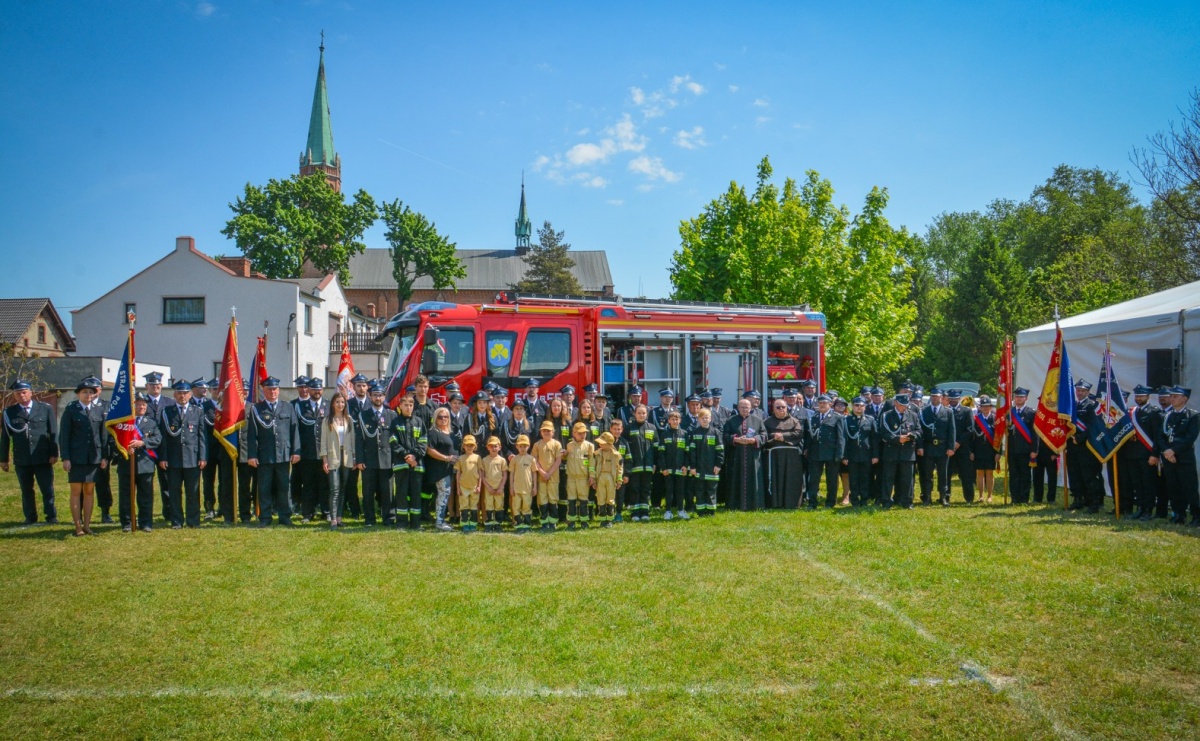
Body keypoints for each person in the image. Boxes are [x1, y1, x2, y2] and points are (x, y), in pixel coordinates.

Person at [2, 379, 59, 524]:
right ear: (14, 395)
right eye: (18, 393)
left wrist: (54, 453)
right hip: (22, 458)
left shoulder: (45, 408)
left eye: (24, 392)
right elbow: (5, 437)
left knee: (47, 489)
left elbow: (53, 432)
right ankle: (30, 517)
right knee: (26, 489)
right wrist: (3, 459)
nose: (22, 395)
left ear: (31, 392)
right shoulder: (9, 412)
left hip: (42, 456)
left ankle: (51, 516)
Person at [246, 376, 300, 527]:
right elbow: (252, 435)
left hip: (283, 454)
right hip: (265, 455)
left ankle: (285, 517)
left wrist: (296, 451)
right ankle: (265, 517)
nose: (272, 392)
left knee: (284, 487)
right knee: (264, 488)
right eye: (269, 389)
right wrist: (252, 455)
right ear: (264, 390)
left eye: (275, 389)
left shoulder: (287, 407)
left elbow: (294, 430)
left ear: (279, 390)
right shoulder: (257, 409)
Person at [59, 376, 107, 536]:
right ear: (78, 394)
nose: (88, 394)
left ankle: (87, 525)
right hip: (76, 457)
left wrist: (104, 457)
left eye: (91, 392)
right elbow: (64, 435)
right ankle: (77, 526)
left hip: (93, 457)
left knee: (89, 491)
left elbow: (103, 436)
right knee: (76, 491)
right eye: (84, 392)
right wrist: (65, 457)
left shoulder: (99, 410)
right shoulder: (72, 409)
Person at [158, 380, 208, 528]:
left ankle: (193, 521)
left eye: (185, 393)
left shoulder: (197, 411)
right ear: (174, 395)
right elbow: (164, 438)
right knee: (174, 492)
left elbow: (202, 436)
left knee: (193, 491)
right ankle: (177, 521)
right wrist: (163, 457)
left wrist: (203, 456)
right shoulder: (167, 412)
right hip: (173, 459)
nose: (182, 396)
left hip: (192, 458)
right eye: (179, 393)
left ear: (190, 394)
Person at [107, 393, 160, 532]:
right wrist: (124, 448)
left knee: (146, 496)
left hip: (145, 465)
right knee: (126, 496)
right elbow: (113, 441)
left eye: (143, 404)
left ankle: (146, 523)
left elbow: (157, 439)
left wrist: (143, 442)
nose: (141, 407)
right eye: (137, 404)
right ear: (132, 405)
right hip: (126, 465)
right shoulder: (124, 423)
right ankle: (127, 523)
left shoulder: (151, 422)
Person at [355, 383, 397, 527]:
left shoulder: (391, 415)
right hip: (369, 460)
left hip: (387, 459)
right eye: (375, 395)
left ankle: (389, 518)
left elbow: (394, 440)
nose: (377, 398)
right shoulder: (363, 415)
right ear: (370, 396)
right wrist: (359, 459)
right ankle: (369, 519)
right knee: (368, 492)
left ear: (384, 397)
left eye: (380, 395)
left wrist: (395, 459)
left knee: (388, 492)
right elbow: (359, 440)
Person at [1158, 386, 1198, 525]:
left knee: (1189, 488)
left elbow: (1189, 438)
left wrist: (1173, 450)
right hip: (1169, 458)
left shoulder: (1193, 415)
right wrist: (1166, 451)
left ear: (1184, 398)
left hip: (1184, 458)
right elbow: (1160, 437)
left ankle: (1196, 516)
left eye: (1175, 396)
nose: (1171, 398)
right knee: (1173, 488)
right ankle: (1178, 514)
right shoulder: (1167, 415)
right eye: (1171, 396)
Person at [389, 393, 427, 530]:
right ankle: (401, 523)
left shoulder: (419, 422)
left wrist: (415, 456)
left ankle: (416, 524)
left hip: (417, 466)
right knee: (401, 494)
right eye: (405, 405)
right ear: (400, 406)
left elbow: (423, 442)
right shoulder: (395, 422)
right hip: (401, 465)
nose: (408, 407)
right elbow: (393, 442)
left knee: (416, 495)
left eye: (411, 405)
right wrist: (407, 456)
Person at [1065, 380, 1103, 513]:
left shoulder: (1091, 406)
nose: (1079, 393)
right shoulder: (1073, 405)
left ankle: (1094, 503)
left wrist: (1080, 439)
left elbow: (1093, 426)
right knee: (1074, 474)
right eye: (1078, 390)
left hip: (1086, 446)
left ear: (1087, 392)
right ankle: (1078, 499)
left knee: (1089, 475)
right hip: (1072, 445)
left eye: (1082, 391)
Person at [879, 393, 921, 510]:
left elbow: (919, 431)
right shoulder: (886, 415)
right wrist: (898, 439)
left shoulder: (913, 415)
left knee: (907, 479)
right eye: (902, 405)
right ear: (895, 403)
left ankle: (907, 501)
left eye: (906, 405)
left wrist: (912, 435)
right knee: (888, 478)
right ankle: (886, 501)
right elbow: (884, 433)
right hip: (891, 452)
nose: (904, 407)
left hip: (907, 452)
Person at [321, 392, 355, 529]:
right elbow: (323, 441)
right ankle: (333, 519)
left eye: (342, 402)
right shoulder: (327, 420)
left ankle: (340, 518)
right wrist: (324, 460)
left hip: (346, 456)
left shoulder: (349, 419)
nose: (340, 405)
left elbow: (352, 440)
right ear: (333, 404)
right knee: (334, 489)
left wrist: (354, 457)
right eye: (337, 402)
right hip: (333, 456)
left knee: (343, 488)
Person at [917, 388, 957, 506]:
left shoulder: (948, 412)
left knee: (943, 474)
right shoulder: (924, 411)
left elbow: (952, 431)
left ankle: (943, 497)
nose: (935, 398)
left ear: (941, 398)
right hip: (928, 446)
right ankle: (927, 497)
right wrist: (920, 446)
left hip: (942, 447)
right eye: (933, 396)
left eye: (937, 396)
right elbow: (920, 431)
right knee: (927, 474)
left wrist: (951, 447)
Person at [764, 397, 805, 508]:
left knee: (791, 479)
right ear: (773, 409)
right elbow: (764, 435)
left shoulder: (794, 421)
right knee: (775, 478)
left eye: (783, 407)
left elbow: (799, 433)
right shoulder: (767, 422)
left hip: (791, 457)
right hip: (774, 456)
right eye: (778, 407)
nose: (781, 409)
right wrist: (775, 437)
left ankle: (791, 503)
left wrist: (783, 437)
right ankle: (775, 502)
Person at [724, 399, 765, 511]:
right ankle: (735, 504)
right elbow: (725, 436)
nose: (744, 409)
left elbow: (764, 435)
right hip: (736, 456)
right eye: (742, 407)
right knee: (735, 479)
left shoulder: (758, 420)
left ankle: (754, 504)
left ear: (750, 408)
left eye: (746, 407)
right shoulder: (731, 420)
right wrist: (736, 439)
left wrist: (754, 439)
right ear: (738, 408)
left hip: (753, 456)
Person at [806, 394, 845, 509]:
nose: (822, 405)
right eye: (820, 403)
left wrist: (840, 454)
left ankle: (830, 502)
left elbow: (841, 437)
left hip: (831, 453)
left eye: (825, 403)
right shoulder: (813, 417)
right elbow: (809, 436)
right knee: (813, 479)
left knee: (831, 479)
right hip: (815, 453)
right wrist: (807, 450)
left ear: (830, 404)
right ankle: (812, 503)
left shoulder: (837, 417)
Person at [423, 408, 457, 532]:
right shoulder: (433, 432)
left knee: (446, 493)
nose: (443, 419)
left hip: (450, 469)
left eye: (446, 417)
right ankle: (440, 522)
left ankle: (441, 519)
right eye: (440, 417)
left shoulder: (451, 432)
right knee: (444, 493)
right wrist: (446, 458)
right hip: (439, 470)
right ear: (435, 418)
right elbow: (429, 450)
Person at [843, 396, 879, 507]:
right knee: (853, 478)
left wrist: (875, 455)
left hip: (866, 454)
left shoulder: (870, 419)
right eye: (856, 405)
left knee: (865, 478)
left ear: (865, 407)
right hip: (852, 454)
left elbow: (874, 439)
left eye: (862, 406)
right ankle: (854, 500)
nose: (859, 408)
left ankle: (864, 499)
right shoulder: (846, 420)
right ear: (852, 406)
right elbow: (844, 439)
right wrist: (844, 456)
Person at [622, 404, 655, 522]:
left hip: (649, 465)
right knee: (634, 488)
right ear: (634, 414)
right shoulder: (629, 428)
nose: (641, 415)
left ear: (647, 414)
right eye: (639, 413)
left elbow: (655, 447)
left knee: (646, 489)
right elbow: (624, 446)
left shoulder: (652, 428)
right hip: (635, 465)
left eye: (644, 413)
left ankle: (645, 512)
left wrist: (655, 463)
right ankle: (635, 512)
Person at [688, 408, 724, 516]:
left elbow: (720, 449)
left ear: (710, 419)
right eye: (702, 418)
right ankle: (701, 511)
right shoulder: (695, 433)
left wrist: (718, 464)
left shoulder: (716, 432)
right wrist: (692, 467)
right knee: (699, 490)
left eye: (707, 418)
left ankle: (711, 511)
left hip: (712, 467)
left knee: (711, 490)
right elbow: (692, 451)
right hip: (698, 468)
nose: (705, 420)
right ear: (698, 419)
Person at [1006, 387, 1039, 505]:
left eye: (1021, 397)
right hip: (1012, 449)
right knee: (1013, 474)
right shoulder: (1009, 412)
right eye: (1017, 396)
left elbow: (1035, 433)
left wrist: (1034, 449)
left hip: (1026, 449)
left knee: (1025, 475)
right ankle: (1014, 498)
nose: (1018, 399)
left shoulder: (1031, 413)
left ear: (1026, 398)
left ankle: (1024, 498)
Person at [657, 409, 690, 520]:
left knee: (680, 490)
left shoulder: (684, 434)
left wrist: (685, 466)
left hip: (681, 468)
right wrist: (663, 467)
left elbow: (687, 452)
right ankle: (668, 511)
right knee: (669, 490)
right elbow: (661, 453)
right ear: (669, 421)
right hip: (668, 469)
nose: (675, 421)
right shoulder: (664, 435)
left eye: (677, 419)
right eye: (672, 419)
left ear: (680, 420)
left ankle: (681, 510)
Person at [532, 420, 563, 531]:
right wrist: (542, 472)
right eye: (544, 430)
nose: (546, 432)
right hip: (541, 478)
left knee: (553, 499)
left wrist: (549, 473)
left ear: (553, 432)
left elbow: (558, 460)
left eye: (548, 431)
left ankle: (553, 522)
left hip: (553, 477)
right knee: (542, 499)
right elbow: (534, 460)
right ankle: (544, 522)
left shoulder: (556, 444)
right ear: (541, 432)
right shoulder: (537, 445)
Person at [970, 396, 1001, 504]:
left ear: (990, 407)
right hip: (978, 450)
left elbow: (999, 437)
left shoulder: (995, 419)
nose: (985, 408)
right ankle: (981, 495)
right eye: (983, 406)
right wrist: (971, 451)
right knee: (979, 473)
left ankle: (990, 495)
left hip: (991, 450)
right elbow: (971, 437)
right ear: (980, 407)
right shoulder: (975, 419)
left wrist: (998, 452)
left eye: (987, 406)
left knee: (989, 473)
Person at [564, 422, 595, 529]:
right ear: (574, 433)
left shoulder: (589, 446)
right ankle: (571, 522)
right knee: (571, 500)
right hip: (572, 477)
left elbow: (591, 462)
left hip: (583, 478)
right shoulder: (569, 446)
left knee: (583, 500)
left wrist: (592, 476)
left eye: (584, 433)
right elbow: (565, 458)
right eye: (580, 433)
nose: (582, 435)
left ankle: (584, 521)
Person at [592, 432, 623, 527]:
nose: (600, 444)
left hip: (611, 477)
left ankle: (609, 519)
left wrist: (619, 480)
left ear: (609, 444)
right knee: (600, 497)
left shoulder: (616, 455)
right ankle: (602, 519)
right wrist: (593, 479)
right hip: (600, 476)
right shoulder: (596, 454)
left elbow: (620, 468)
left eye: (602, 443)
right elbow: (593, 467)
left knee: (610, 498)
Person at [453, 435, 482, 534]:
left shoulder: (478, 458)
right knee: (464, 506)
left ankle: (473, 524)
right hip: (463, 486)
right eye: (467, 445)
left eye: (471, 445)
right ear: (463, 446)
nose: (469, 447)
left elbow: (480, 473)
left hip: (474, 486)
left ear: (475, 446)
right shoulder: (461, 458)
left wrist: (479, 486)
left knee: (474, 506)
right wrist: (458, 487)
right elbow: (458, 473)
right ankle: (465, 524)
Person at [509, 434, 536, 534]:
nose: (523, 448)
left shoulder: (531, 459)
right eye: (520, 446)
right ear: (517, 446)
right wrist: (511, 487)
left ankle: (526, 524)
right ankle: (518, 524)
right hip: (516, 488)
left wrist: (535, 487)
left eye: (525, 446)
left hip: (527, 488)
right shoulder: (514, 459)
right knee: (516, 506)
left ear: (528, 446)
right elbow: (511, 474)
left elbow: (534, 473)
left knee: (526, 506)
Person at [480, 436, 508, 533]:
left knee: (499, 506)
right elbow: (482, 476)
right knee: (489, 505)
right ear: (487, 447)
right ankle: (489, 524)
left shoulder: (502, 460)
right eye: (491, 446)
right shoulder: (484, 460)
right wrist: (487, 486)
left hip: (499, 488)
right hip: (488, 488)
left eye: (495, 446)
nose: (493, 448)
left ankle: (498, 524)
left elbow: (505, 475)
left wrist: (501, 487)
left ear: (499, 447)